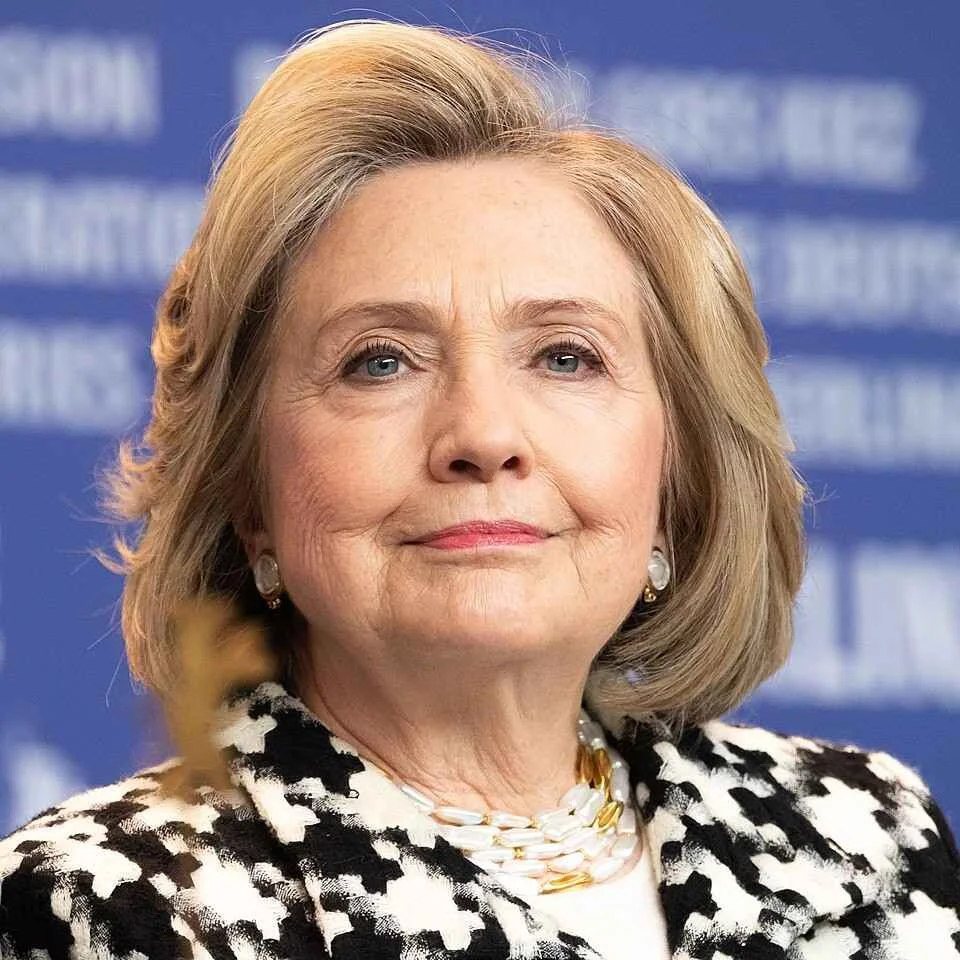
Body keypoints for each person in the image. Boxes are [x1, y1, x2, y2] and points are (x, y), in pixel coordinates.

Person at [1, 19, 958, 959]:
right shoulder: (106, 909)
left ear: (675, 477)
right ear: (251, 498)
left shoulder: (866, 843)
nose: (484, 437)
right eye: (381, 362)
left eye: (566, 356)